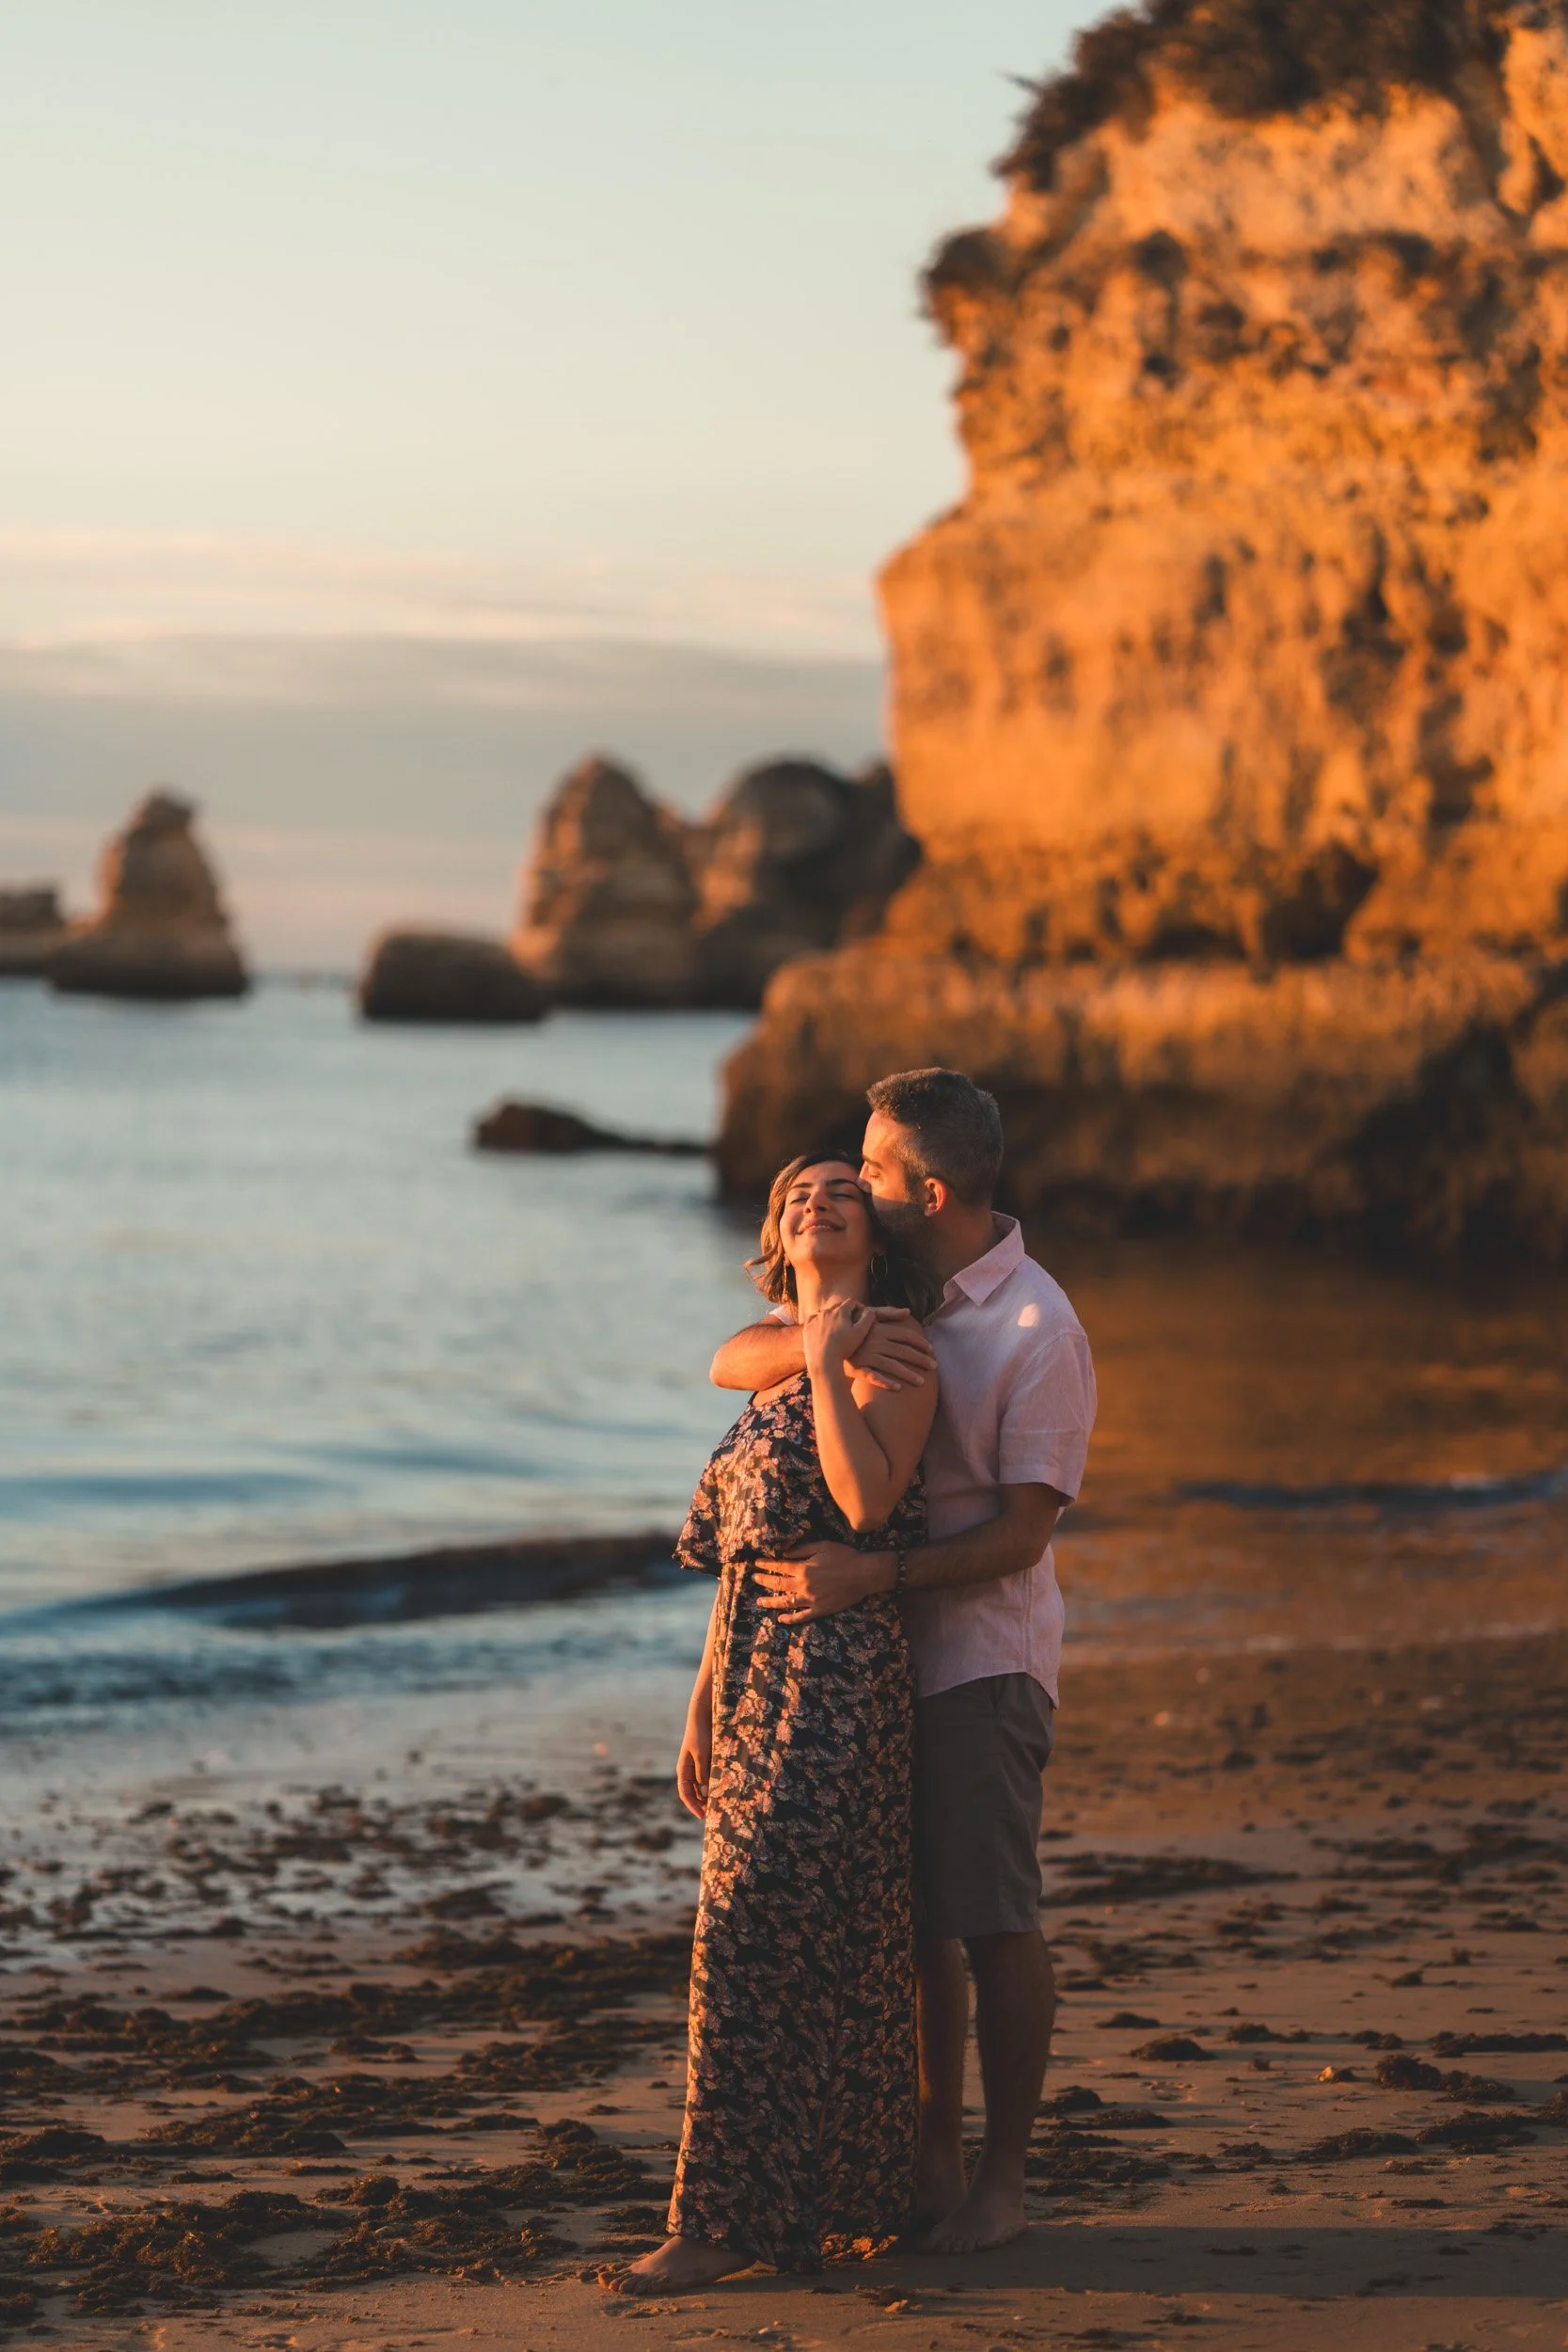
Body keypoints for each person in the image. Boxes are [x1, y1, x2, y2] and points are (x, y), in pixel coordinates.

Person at [710, 1068, 1097, 2256]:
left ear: (926, 1190)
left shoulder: (1037, 1328)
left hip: (981, 1658)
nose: (854, 1179)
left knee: (989, 1918)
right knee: (913, 1924)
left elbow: (1024, 1534)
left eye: (870, 1168)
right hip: (870, 1665)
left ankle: (1003, 2177)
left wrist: (875, 1577)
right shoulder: (902, 1299)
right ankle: (927, 2154)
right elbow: (738, 1354)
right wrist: (821, 1343)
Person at [616, 1152, 940, 2291]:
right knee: (806, 1939)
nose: (817, 1201)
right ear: (776, 1230)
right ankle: (844, 2196)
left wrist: (825, 1356)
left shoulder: (893, 1349)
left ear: (873, 1231)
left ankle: (715, 2224)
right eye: (798, 1195)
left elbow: (862, 1504)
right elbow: (731, 1564)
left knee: (754, 1932)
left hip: (839, 1671)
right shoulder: (763, 1364)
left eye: (841, 1193)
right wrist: (701, 1704)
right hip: (750, 1670)